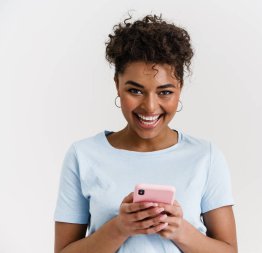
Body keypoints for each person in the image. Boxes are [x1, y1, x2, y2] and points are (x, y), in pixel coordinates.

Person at [54, 14, 237, 253]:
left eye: (165, 92)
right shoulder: (83, 155)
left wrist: (181, 231)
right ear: (117, 84)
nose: (150, 107)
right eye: (135, 90)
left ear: (179, 88)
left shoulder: (206, 156)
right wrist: (120, 228)